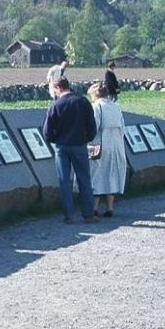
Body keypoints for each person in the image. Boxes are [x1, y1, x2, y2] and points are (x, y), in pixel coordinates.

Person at [42, 77, 98, 224]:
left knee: (64, 180)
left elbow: (47, 131)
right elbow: (92, 126)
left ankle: (69, 215)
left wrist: (55, 140)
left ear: (58, 88)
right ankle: (88, 214)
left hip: (62, 147)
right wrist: (87, 138)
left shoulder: (55, 105)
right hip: (80, 145)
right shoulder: (83, 102)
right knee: (84, 179)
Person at [88, 83, 127, 217]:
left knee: (97, 174)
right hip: (116, 144)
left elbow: (94, 126)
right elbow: (122, 127)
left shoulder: (96, 106)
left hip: (100, 144)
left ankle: (95, 207)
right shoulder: (116, 106)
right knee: (112, 174)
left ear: (94, 94)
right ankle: (110, 207)